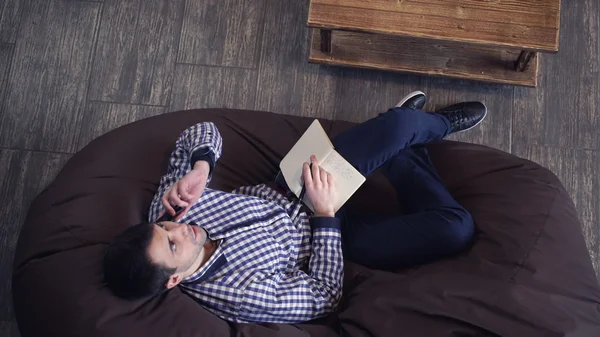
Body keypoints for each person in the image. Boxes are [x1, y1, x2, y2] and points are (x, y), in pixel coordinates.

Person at [103, 91, 487, 324]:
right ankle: (406, 135)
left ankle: (428, 125)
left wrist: (202, 167)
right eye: (172, 245)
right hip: (333, 236)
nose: (176, 230)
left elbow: (201, 129)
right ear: (174, 280)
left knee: (397, 129)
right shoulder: (238, 294)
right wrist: (325, 216)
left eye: (163, 230)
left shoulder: (170, 209)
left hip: (292, 185)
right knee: (456, 229)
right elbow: (324, 296)